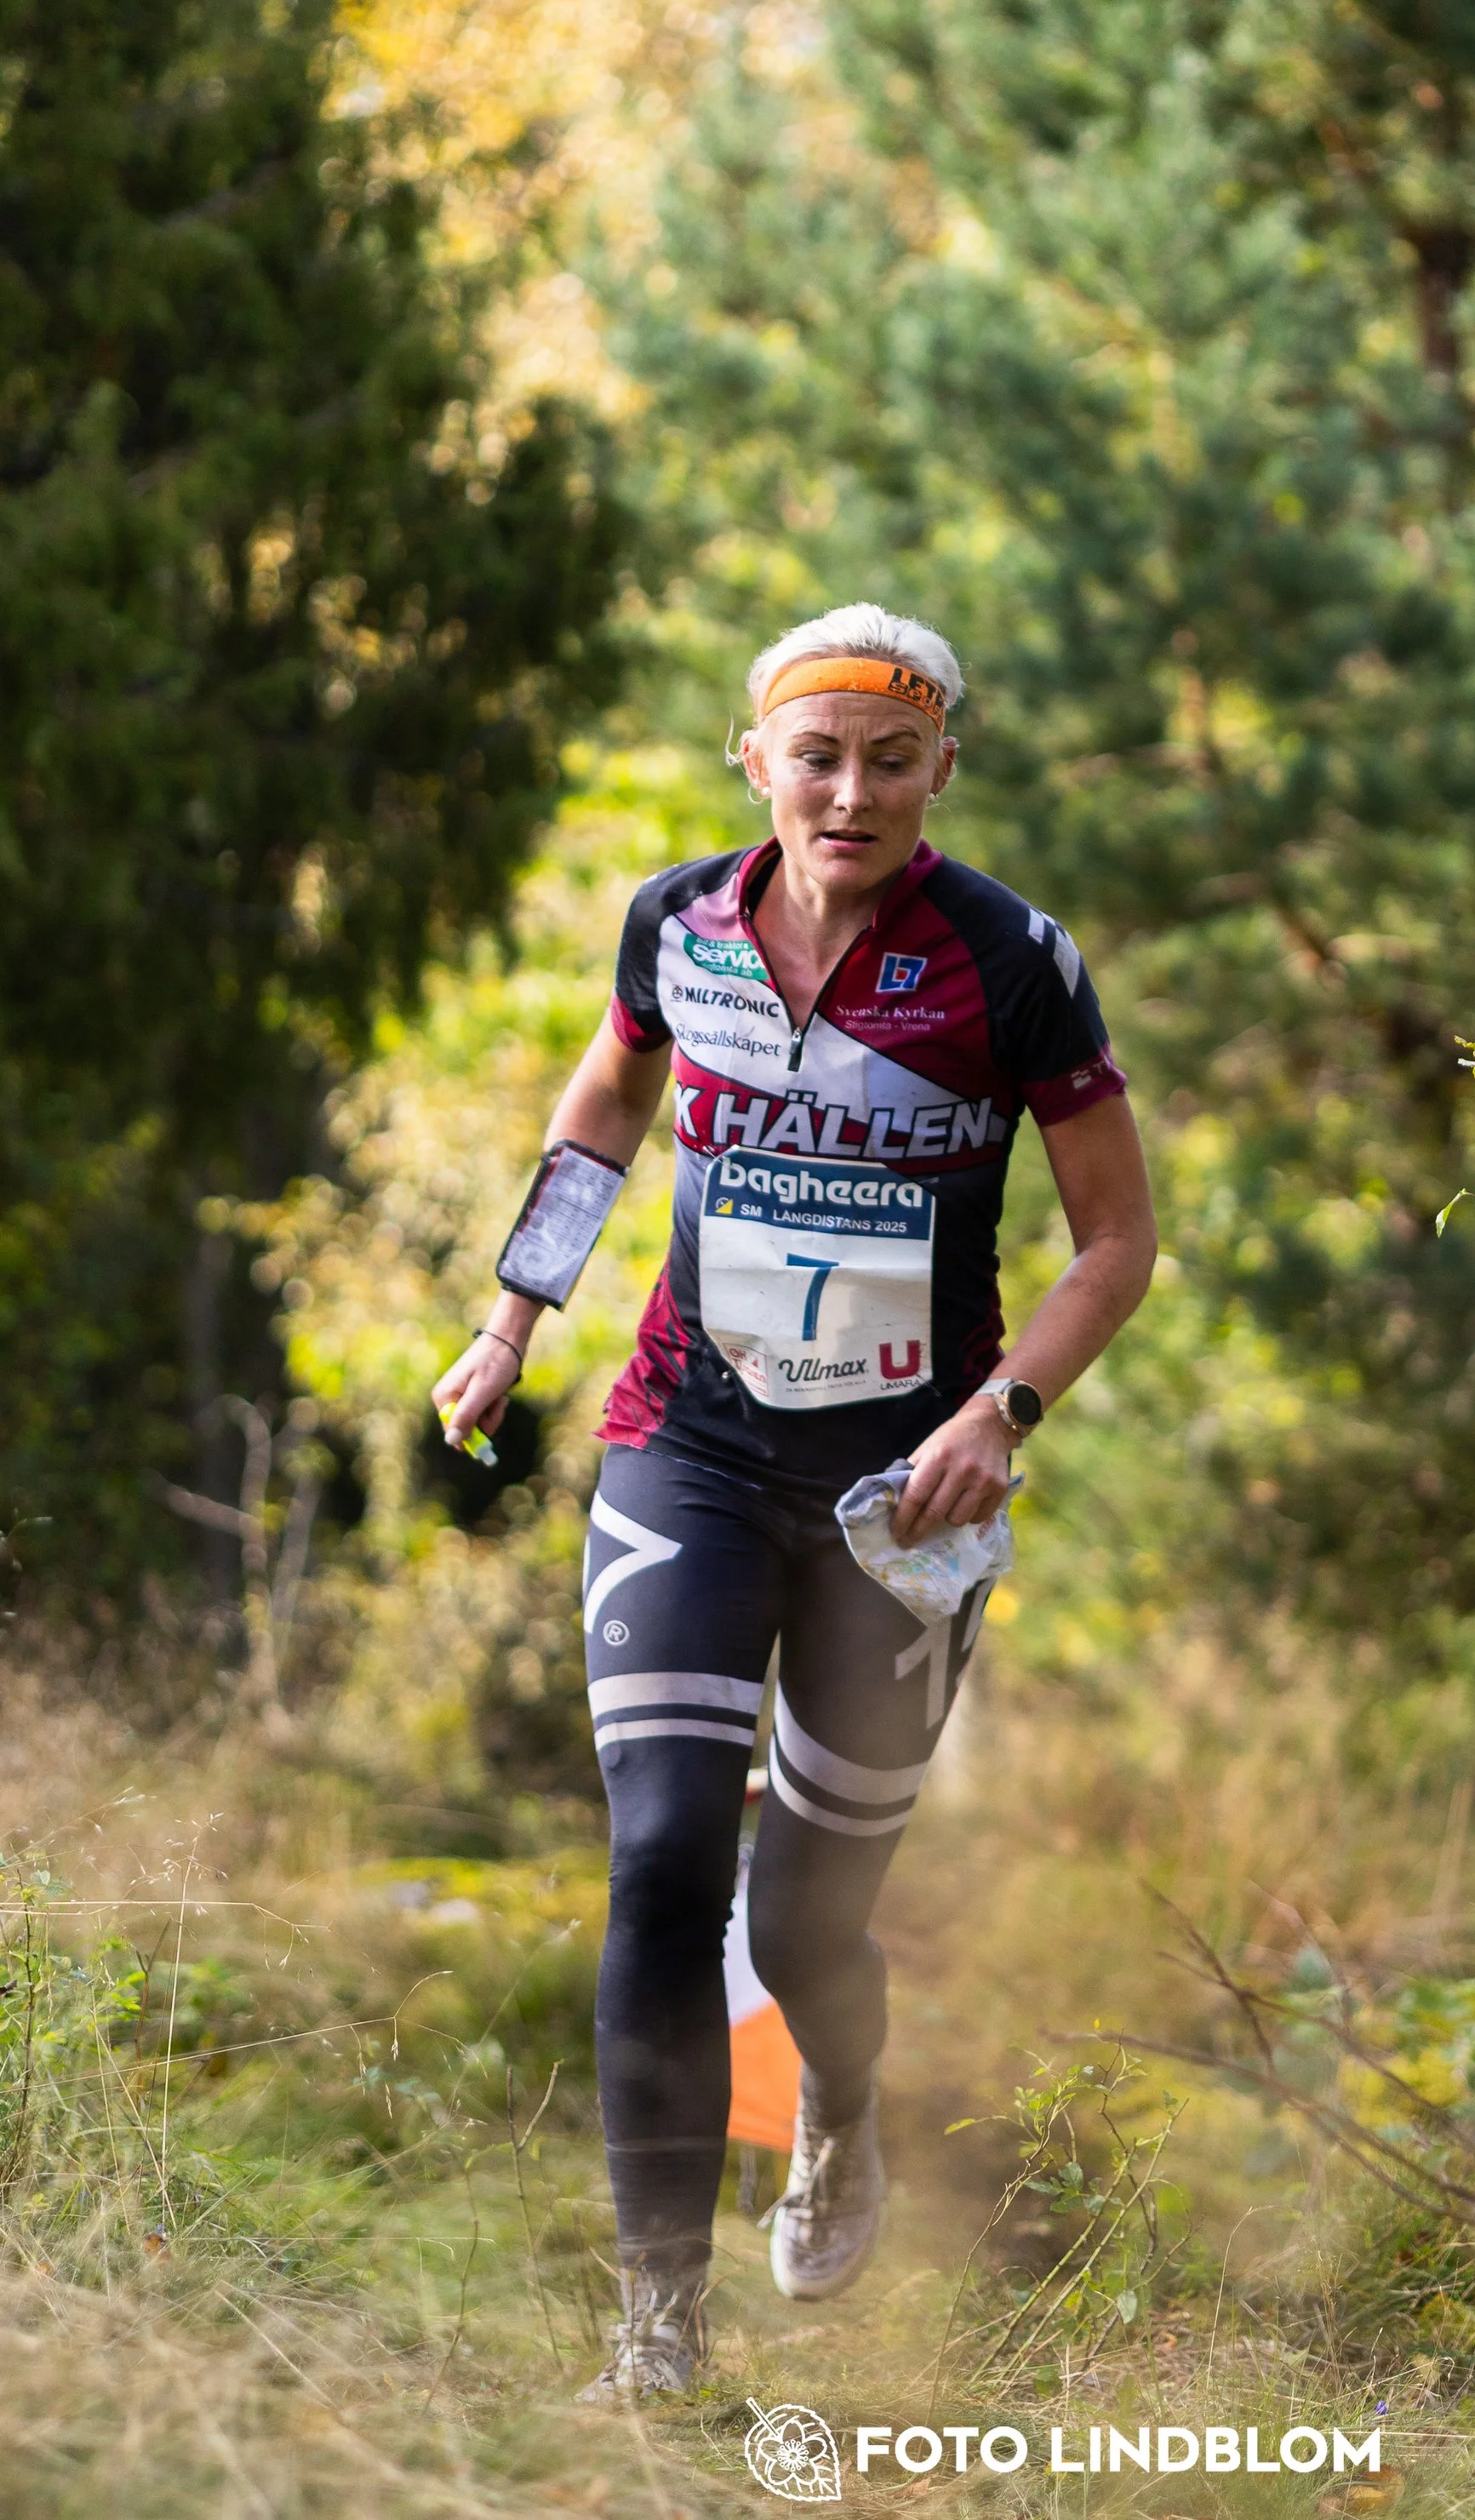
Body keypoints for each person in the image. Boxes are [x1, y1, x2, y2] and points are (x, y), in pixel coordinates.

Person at [430, 603, 1158, 2401]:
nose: (850, 793)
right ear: (754, 760)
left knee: (799, 1922)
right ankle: (655, 2327)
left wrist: (1006, 1406)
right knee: (667, 1855)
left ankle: (835, 2099)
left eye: (889, 760)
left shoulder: (1010, 961)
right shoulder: (677, 921)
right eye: (814, 756)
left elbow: (1117, 1241)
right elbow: (606, 1099)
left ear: (939, 772)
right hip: (684, 1440)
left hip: (896, 1501)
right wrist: (516, 1306)